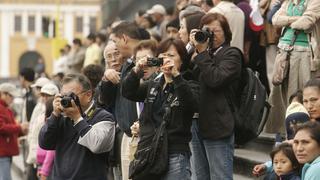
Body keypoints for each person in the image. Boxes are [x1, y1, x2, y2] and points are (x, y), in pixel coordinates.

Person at [122, 38, 199, 180]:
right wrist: (137, 70)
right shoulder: (153, 85)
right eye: (162, 56)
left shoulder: (189, 84)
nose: (166, 59)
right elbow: (127, 92)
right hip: (148, 153)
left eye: (171, 56)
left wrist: (175, 75)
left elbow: (191, 104)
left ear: (182, 60)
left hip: (174, 154)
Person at [189, 13, 242, 180]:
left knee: (220, 176)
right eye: (207, 30)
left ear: (226, 33)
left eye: (216, 31)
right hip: (197, 123)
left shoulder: (232, 54)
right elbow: (185, 76)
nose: (211, 35)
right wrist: (191, 48)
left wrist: (202, 54)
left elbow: (215, 79)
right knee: (200, 176)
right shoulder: (201, 54)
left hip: (218, 125)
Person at [38, 73, 115, 180]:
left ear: (88, 95)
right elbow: (44, 143)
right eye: (63, 96)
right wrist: (54, 115)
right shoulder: (61, 117)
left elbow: (97, 145)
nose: (67, 100)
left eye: (71, 96)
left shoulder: (103, 117)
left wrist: (77, 119)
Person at [0, 83, 28, 180]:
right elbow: (2, 127)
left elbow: (11, 128)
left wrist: (22, 131)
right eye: (11, 96)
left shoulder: (7, 109)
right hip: (2, 151)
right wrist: (19, 127)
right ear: (3, 94)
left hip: (6, 150)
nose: (12, 99)